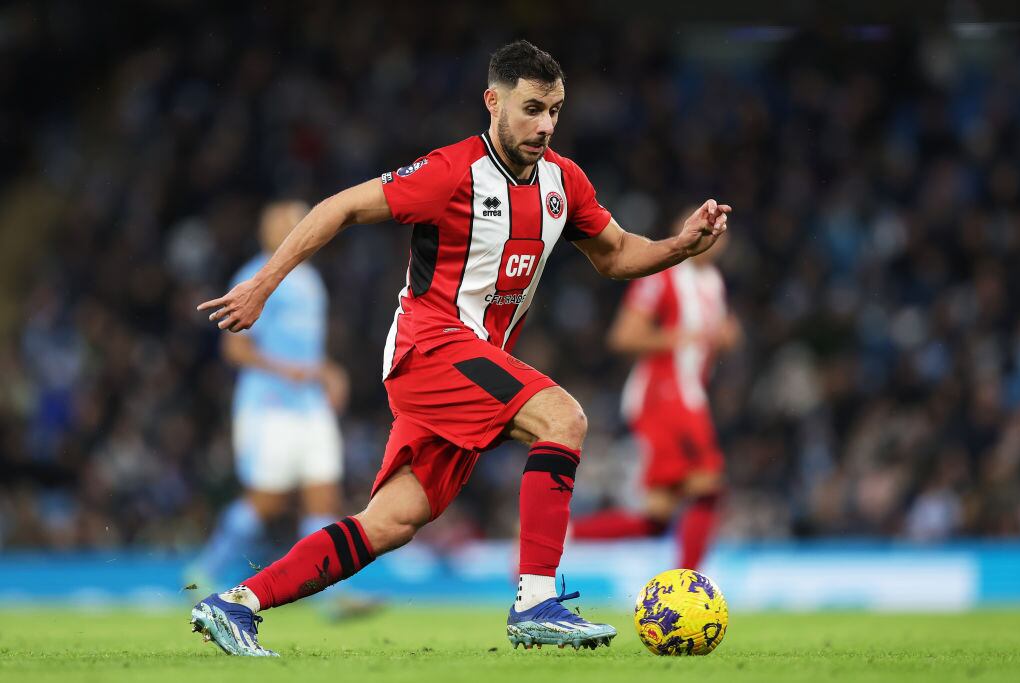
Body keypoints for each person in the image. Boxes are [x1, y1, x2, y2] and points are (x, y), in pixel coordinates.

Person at [190, 40, 730, 657]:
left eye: (554, 111)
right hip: (431, 345)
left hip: (467, 364)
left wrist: (680, 245)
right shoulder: (451, 172)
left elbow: (617, 254)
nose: (545, 125)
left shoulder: (564, 182)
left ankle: (235, 604)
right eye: (532, 109)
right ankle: (535, 602)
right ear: (493, 102)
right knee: (563, 418)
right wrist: (262, 285)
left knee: (391, 522)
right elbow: (339, 207)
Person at [186, 201, 350, 591]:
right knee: (266, 501)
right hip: (269, 406)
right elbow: (234, 349)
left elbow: (306, 351)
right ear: (267, 232)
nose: (296, 228)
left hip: (310, 404)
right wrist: (284, 370)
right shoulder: (253, 277)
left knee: (324, 497)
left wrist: (327, 371)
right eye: (286, 223)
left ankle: (330, 591)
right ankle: (203, 572)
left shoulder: (311, 281)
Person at [571, 219, 740, 572]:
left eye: (718, 231)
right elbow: (623, 336)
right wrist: (676, 338)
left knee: (656, 518)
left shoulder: (713, 282)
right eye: (704, 228)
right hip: (663, 394)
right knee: (707, 482)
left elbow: (713, 337)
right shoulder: (662, 276)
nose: (713, 238)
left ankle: (561, 534)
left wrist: (723, 336)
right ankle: (689, 585)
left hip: (689, 394)